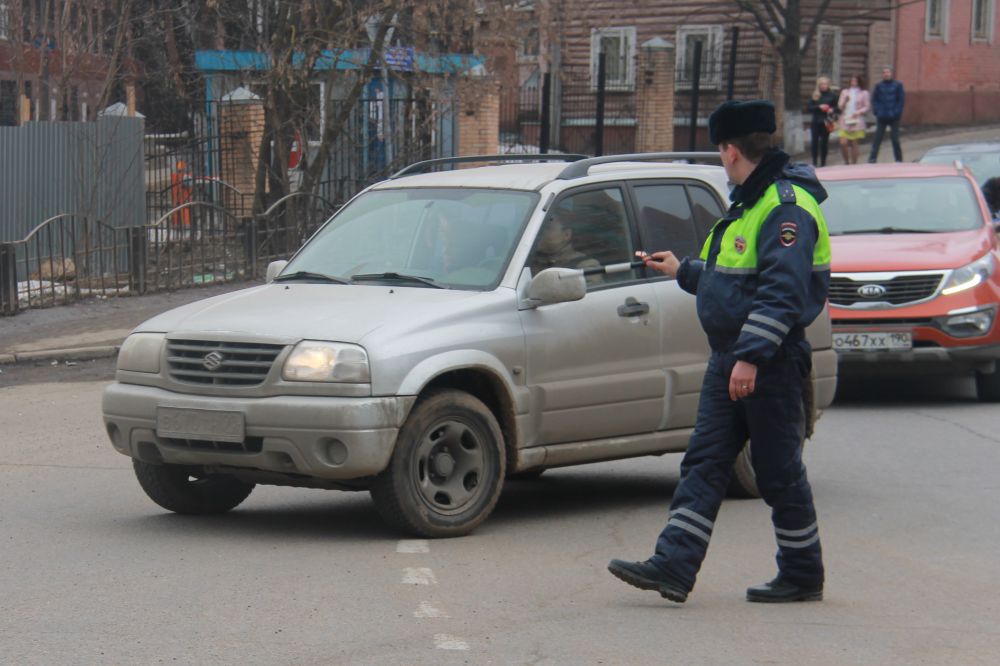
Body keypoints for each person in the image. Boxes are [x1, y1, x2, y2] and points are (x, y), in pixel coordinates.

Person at [607, 99, 831, 604]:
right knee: (704, 462)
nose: (720, 161)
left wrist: (751, 356)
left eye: (719, 153)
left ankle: (802, 573)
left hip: (767, 362)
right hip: (730, 358)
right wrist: (682, 269)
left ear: (730, 151)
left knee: (777, 473)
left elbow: (782, 291)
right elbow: (732, 280)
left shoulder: (785, 208)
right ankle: (673, 566)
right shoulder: (749, 205)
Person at [530, 207, 603, 283]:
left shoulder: (585, 265)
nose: (540, 233)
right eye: (540, 229)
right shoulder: (529, 260)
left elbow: (588, 292)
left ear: (566, 235)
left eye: (548, 229)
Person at [868, 66, 905, 163]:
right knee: (877, 139)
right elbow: (874, 99)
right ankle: (872, 158)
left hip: (894, 117)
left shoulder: (898, 85)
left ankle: (898, 159)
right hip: (882, 116)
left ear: (891, 73)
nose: (886, 74)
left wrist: (897, 112)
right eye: (884, 72)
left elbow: (901, 100)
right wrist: (877, 111)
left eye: (888, 72)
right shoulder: (878, 85)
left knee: (895, 139)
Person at [837, 75, 869, 165]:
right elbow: (840, 106)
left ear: (859, 81)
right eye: (852, 80)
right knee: (843, 142)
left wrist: (858, 112)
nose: (853, 82)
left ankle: (854, 163)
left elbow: (866, 106)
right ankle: (846, 161)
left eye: (855, 80)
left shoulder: (864, 93)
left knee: (854, 143)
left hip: (856, 120)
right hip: (845, 119)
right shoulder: (845, 92)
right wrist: (845, 101)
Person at [806, 76, 838, 167]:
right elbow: (809, 108)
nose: (824, 86)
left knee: (824, 142)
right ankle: (814, 162)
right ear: (819, 85)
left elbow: (837, 108)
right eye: (822, 84)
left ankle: (823, 162)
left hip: (826, 121)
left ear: (828, 85)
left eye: (826, 84)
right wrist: (819, 107)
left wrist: (832, 109)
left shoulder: (832, 95)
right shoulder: (815, 95)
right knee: (814, 142)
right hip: (816, 121)